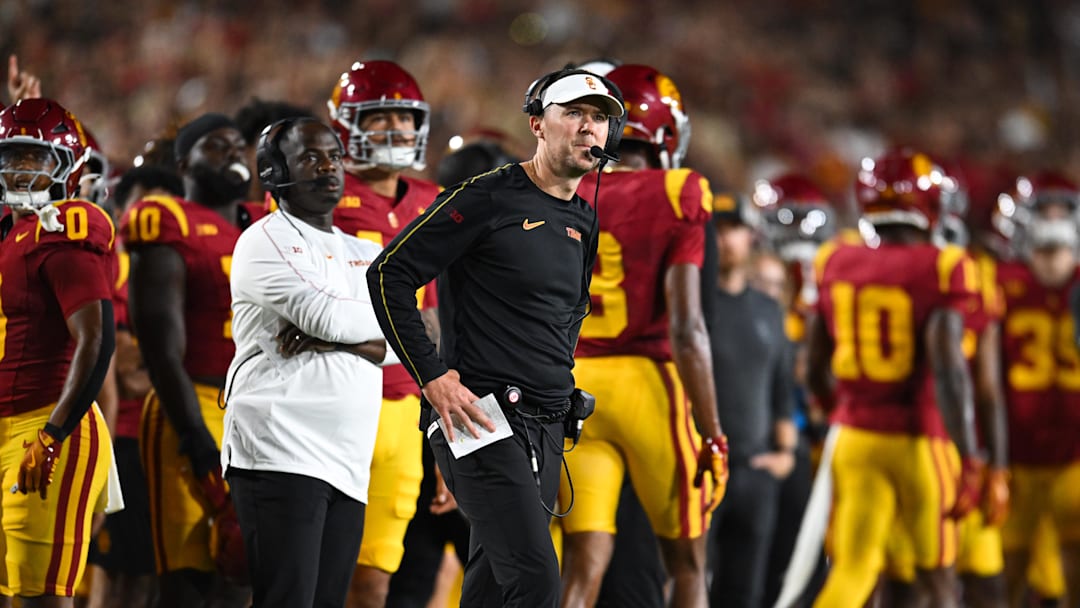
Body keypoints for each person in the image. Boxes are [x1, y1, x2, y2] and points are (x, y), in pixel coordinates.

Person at [368, 66, 623, 607]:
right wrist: (432, 377)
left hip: (549, 420)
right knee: (535, 580)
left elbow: (567, 315)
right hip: (477, 415)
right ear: (537, 124)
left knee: (488, 582)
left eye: (599, 118)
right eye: (573, 113)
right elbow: (389, 273)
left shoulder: (584, 217)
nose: (588, 128)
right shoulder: (487, 196)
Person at [555, 63, 727, 608]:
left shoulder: (561, 187)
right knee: (688, 562)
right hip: (649, 383)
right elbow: (688, 328)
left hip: (574, 386)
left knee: (583, 562)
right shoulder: (679, 190)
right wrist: (713, 427)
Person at [222, 116, 397, 607]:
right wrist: (357, 335)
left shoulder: (366, 250)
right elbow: (327, 316)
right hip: (280, 447)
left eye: (335, 156)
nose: (328, 167)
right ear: (275, 172)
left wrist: (337, 340)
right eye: (310, 157)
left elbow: (413, 337)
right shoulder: (261, 240)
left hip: (348, 459)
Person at [806, 147, 982, 607]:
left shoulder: (834, 259)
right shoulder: (944, 266)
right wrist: (970, 455)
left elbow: (812, 365)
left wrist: (836, 412)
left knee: (852, 570)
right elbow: (949, 371)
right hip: (921, 439)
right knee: (938, 578)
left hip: (856, 436)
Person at [119, 113, 262, 607]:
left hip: (262, 410)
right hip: (195, 399)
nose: (234, 154)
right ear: (185, 162)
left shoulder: (269, 223)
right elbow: (160, 348)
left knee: (244, 573)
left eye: (238, 147)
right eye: (216, 146)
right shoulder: (169, 219)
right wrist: (197, 441)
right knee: (189, 580)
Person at [325, 60, 442, 607]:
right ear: (347, 125)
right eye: (379, 118)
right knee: (309, 570)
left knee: (374, 579)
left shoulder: (433, 199)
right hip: (332, 396)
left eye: (402, 118)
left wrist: (448, 440)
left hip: (403, 403)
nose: (394, 130)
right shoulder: (320, 196)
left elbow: (439, 322)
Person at [386, 138, 520, 608]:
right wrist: (453, 451)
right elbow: (443, 345)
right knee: (502, 573)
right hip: (456, 422)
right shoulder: (469, 238)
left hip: (437, 421)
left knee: (419, 576)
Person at [0, 97, 115, 604]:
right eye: (12, 156)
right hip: (6, 422)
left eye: (36, 158)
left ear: (66, 167)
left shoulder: (64, 229)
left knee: (41, 597)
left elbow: (96, 338)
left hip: (44, 423)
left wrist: (53, 435)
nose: (21, 170)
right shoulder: (12, 233)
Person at [90, 165, 184, 608]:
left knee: (150, 578)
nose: (154, 216)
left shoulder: (189, 265)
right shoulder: (113, 264)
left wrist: (151, 359)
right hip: (121, 437)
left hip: (171, 437)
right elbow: (124, 373)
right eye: (145, 203)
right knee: (113, 576)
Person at [993, 171, 1080, 608]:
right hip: (1017, 455)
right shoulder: (1001, 282)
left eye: (1060, 210)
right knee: (1006, 572)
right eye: (1043, 211)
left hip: (1075, 452)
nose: (1052, 220)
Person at [707, 194, 796, 608]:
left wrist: (785, 453)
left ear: (750, 236)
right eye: (719, 229)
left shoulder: (767, 309)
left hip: (755, 468)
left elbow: (781, 386)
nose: (727, 240)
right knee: (686, 584)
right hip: (701, 465)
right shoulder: (693, 303)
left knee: (745, 593)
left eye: (735, 229)